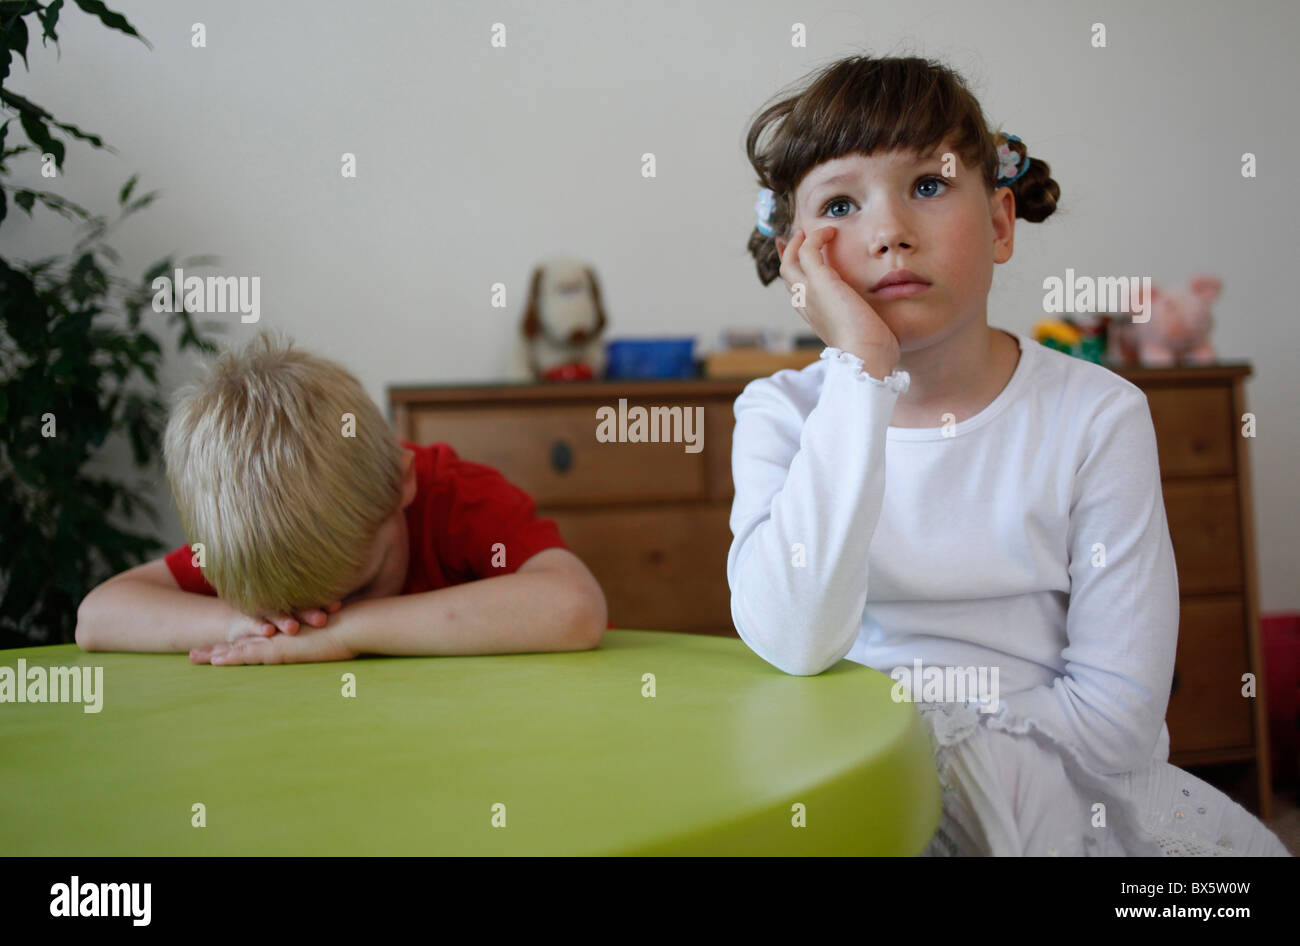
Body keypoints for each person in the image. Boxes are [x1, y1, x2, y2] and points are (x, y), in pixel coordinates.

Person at [730, 54, 1289, 856]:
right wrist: (861, 370)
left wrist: (963, 755)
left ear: (998, 224)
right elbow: (793, 640)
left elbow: (1118, 719)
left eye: (927, 185)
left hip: (1067, 787)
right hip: (857, 782)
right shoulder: (781, 416)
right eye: (843, 204)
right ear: (799, 262)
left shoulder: (1097, 415)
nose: (889, 231)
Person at [75, 330, 607, 664]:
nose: (316, 626)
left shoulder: (455, 496)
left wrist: (353, 631)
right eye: (296, 616)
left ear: (402, 482)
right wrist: (244, 625)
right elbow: (98, 616)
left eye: (360, 588)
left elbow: (575, 608)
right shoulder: (265, 538)